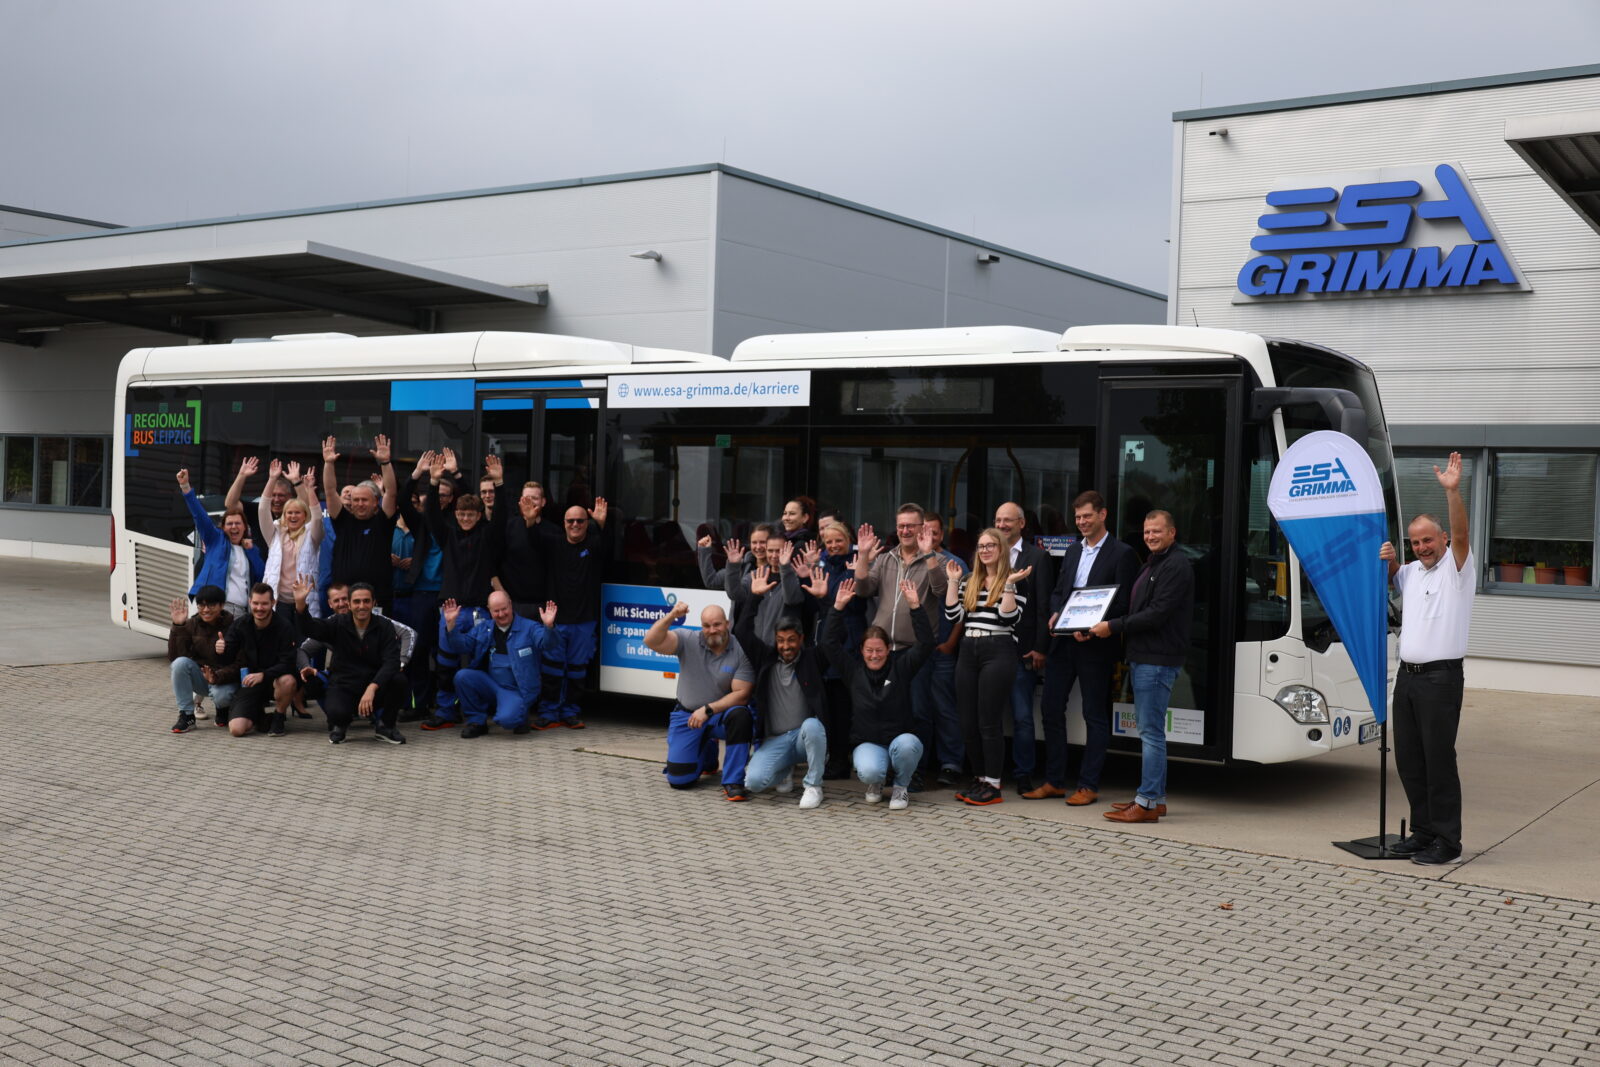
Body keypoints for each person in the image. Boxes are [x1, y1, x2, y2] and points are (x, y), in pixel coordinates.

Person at [1379, 452, 1474, 865]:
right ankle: (1422, 832)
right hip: (1409, 678)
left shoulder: (1459, 569)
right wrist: (1388, 559)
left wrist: (1452, 492)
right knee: (1410, 760)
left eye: (1428, 540)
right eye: (1416, 542)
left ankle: (1448, 841)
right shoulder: (1412, 573)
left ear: (1443, 540)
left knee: (1438, 760)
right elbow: (1392, 576)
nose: (1422, 548)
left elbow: (1463, 533)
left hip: (1441, 680)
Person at [1029, 490, 1139, 805]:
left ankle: (1088, 786)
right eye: (1077, 517)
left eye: (1087, 516)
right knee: (1050, 709)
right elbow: (1060, 591)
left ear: (1103, 515)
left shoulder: (1122, 554)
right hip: (1063, 643)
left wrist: (1088, 627)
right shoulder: (1074, 551)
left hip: (1096, 645)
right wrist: (1055, 612)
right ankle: (1054, 781)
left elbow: (1121, 601)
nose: (1081, 523)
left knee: (1094, 714)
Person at [1097, 510, 1194, 824]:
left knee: (1151, 733)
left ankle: (1147, 802)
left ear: (1172, 533)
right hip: (1146, 657)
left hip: (1157, 660)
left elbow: (1156, 614)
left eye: (1156, 531)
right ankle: (1156, 798)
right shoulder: (1154, 563)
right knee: (1152, 732)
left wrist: (1113, 626)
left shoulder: (1176, 566)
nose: (1150, 536)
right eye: (1146, 532)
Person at [852, 504, 948, 786]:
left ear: (923, 528)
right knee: (889, 711)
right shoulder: (886, 559)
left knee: (918, 711)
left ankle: (916, 772)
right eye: (901, 526)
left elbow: (942, 590)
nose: (905, 531)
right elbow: (863, 589)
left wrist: (929, 553)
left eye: (911, 526)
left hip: (916, 650)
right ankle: (889, 768)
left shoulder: (936, 560)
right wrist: (863, 555)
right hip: (884, 652)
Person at [823, 578, 935, 810]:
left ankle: (901, 788)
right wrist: (837, 609)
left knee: (909, 744)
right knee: (869, 770)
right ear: (861, 651)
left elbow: (925, 644)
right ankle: (875, 783)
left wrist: (915, 607)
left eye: (879, 650)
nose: (874, 655)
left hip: (898, 740)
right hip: (868, 743)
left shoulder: (901, 668)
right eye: (869, 650)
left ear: (888, 649)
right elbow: (828, 643)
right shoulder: (853, 671)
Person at [946, 529, 1031, 806]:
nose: (985, 551)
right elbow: (953, 615)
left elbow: (1008, 617)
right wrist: (952, 582)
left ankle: (993, 784)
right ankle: (980, 778)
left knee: (989, 721)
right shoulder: (971, 579)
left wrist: (1008, 586)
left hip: (998, 649)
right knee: (967, 721)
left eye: (990, 546)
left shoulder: (1016, 578)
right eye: (981, 546)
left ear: (1001, 549)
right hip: (969, 648)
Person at [735, 566, 830, 809]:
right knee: (754, 782)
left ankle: (813, 784)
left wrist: (825, 602)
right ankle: (784, 766)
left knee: (813, 725)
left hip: (803, 737)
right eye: (780, 641)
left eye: (791, 640)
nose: (785, 646)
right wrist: (754, 597)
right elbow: (742, 631)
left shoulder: (812, 659)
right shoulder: (765, 658)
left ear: (801, 640)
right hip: (775, 739)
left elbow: (832, 638)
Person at [644, 601, 756, 800]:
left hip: (719, 715)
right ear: (701, 626)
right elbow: (651, 641)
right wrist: (671, 616)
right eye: (706, 625)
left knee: (742, 716)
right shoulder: (687, 639)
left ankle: (733, 781)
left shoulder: (741, 649)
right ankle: (707, 753)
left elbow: (742, 693)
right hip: (688, 716)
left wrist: (708, 709)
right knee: (679, 781)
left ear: (727, 624)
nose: (712, 630)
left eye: (717, 624)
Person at [292, 576, 407, 745]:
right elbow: (311, 628)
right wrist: (300, 604)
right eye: (357, 601)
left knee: (399, 680)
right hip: (344, 684)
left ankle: (386, 726)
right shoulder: (337, 623)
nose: (362, 606)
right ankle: (340, 725)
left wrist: (372, 687)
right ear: (350, 604)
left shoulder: (385, 626)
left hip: (374, 684)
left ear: (374, 603)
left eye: (366, 601)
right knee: (337, 712)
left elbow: (392, 662)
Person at [993, 501, 1055, 794]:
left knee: (1021, 717)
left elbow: (1044, 606)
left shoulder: (1038, 557)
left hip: (1022, 652)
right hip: (990, 649)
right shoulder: (987, 554)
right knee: (989, 715)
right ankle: (988, 773)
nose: (1002, 525)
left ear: (1021, 524)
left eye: (1008, 520)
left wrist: (1041, 647)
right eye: (998, 520)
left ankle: (1023, 775)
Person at [534, 497, 609, 729]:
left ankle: (570, 712)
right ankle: (548, 712)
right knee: (552, 669)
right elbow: (529, 540)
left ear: (587, 523)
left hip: (584, 621)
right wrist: (529, 519)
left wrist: (601, 524)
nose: (575, 524)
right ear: (563, 523)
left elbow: (607, 545)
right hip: (556, 620)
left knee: (577, 670)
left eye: (580, 520)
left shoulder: (595, 545)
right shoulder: (553, 544)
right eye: (570, 521)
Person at [440, 592, 558, 738]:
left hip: (517, 690)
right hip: (491, 685)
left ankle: (519, 715)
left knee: (507, 721)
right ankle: (477, 722)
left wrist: (549, 626)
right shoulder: (484, 628)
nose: (501, 614)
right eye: (496, 611)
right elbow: (461, 646)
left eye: (504, 609)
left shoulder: (530, 627)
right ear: (489, 610)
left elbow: (548, 645)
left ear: (511, 604)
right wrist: (451, 624)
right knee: (463, 676)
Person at [914, 511, 966, 787]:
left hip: (944, 647)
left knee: (946, 708)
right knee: (920, 709)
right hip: (920, 650)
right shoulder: (914, 560)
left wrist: (951, 643)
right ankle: (919, 764)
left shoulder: (955, 563)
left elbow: (964, 609)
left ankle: (950, 763)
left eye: (934, 532)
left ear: (941, 535)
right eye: (924, 532)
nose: (929, 537)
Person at [322, 433, 401, 611]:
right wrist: (328, 463)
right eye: (355, 500)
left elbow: (391, 492)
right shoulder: (343, 521)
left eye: (364, 500)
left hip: (377, 600)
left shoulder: (383, 521)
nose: (359, 504)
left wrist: (385, 463)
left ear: (375, 502)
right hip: (345, 601)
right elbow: (330, 490)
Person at [812, 519, 864, 779]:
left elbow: (854, 603)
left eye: (838, 541)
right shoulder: (823, 567)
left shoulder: (855, 565)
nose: (833, 545)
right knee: (829, 706)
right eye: (829, 542)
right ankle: (834, 757)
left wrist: (854, 574)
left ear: (848, 540)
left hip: (850, 643)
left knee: (844, 708)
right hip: (827, 641)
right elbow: (823, 606)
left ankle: (842, 760)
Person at [215, 583, 300, 738]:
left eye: (264, 604)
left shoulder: (285, 627)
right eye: (256, 603)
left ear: (273, 603)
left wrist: (264, 675)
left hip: (275, 680)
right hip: (250, 681)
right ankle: (261, 717)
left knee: (288, 681)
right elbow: (227, 659)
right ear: (249, 602)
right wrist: (221, 650)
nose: (259, 608)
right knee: (236, 730)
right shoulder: (241, 624)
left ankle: (279, 717)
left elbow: (288, 663)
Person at [177, 468, 263, 619]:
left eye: (238, 523)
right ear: (223, 527)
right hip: (216, 608)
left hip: (243, 613)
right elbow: (199, 515)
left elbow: (261, 576)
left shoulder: (250, 548)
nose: (234, 527)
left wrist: (252, 552)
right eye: (230, 524)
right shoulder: (215, 539)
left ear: (245, 527)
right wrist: (186, 487)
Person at [257, 459, 326, 621]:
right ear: (284, 515)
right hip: (278, 600)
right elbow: (262, 508)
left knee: (304, 644)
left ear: (304, 516)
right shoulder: (275, 533)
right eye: (289, 513)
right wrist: (272, 479)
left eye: (297, 513)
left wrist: (308, 490)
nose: (293, 516)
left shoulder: (312, 535)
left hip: (304, 600)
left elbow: (316, 517)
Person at [166, 585, 239, 733]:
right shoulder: (192, 624)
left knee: (221, 696)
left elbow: (241, 662)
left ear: (222, 605)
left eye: (211, 605)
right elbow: (175, 657)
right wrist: (178, 626)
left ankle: (223, 710)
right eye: (201, 605)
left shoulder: (234, 625)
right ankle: (187, 716)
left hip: (225, 680)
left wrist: (218, 675)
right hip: (203, 679)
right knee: (180, 664)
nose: (205, 610)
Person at [224, 455, 290, 550]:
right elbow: (230, 504)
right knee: (196, 439)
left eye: (281, 495)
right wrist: (242, 475)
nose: (276, 499)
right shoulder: (257, 511)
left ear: (289, 497)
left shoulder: (294, 514)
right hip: (259, 563)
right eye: (273, 495)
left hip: (287, 563)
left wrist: (297, 482)